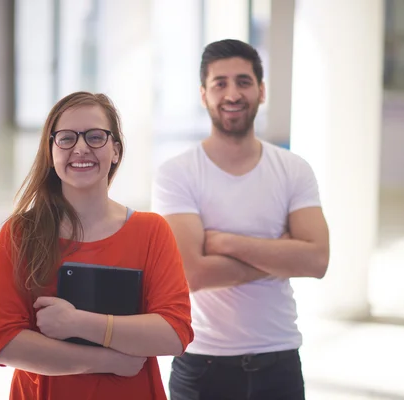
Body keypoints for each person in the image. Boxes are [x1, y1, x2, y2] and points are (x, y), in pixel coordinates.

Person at [0, 91, 193, 400]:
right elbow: (2, 340)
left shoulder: (151, 231)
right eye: (66, 138)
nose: (81, 148)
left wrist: (76, 322)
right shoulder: (21, 233)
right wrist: (106, 361)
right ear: (51, 152)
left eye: (95, 137)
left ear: (116, 151)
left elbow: (174, 333)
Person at [151, 39, 330, 400]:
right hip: (202, 363)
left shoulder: (293, 169)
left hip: (278, 358)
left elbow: (316, 260)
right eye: (220, 83)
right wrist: (280, 255)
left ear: (261, 91)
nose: (233, 93)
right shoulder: (177, 173)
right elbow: (193, 274)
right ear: (204, 95)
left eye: (244, 82)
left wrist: (227, 243)